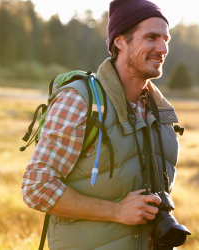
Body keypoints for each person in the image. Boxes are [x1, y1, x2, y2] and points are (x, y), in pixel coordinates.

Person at [21, 0, 180, 249]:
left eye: (166, 39)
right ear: (119, 41)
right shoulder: (79, 100)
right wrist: (117, 211)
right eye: (151, 37)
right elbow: (37, 187)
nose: (162, 48)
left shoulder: (161, 113)